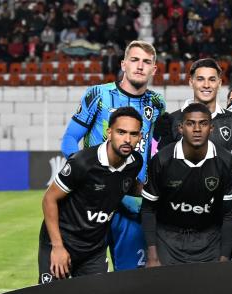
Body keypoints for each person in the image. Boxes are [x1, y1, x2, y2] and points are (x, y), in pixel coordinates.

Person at [60, 40, 166, 271]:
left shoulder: (157, 103)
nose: (140, 66)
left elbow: (155, 149)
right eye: (134, 60)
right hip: (92, 203)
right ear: (124, 64)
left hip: (132, 203)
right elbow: (69, 139)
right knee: (86, 280)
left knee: (131, 279)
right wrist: (86, 175)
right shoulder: (98, 94)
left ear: (154, 69)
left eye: (147, 62)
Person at [39, 107, 144, 284]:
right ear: (109, 133)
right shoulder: (82, 162)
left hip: (94, 249)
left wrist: (156, 191)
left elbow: (127, 185)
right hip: (62, 242)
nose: (127, 139)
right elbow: (49, 199)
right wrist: (57, 247)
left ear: (140, 137)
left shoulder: (135, 162)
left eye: (133, 134)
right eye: (121, 132)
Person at [141, 103, 232, 266]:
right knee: (167, 291)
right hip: (168, 239)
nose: (197, 129)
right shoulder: (162, 159)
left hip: (209, 240)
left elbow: (230, 215)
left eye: (203, 123)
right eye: (190, 123)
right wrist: (152, 256)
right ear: (180, 128)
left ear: (211, 128)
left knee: (208, 291)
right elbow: (148, 209)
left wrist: (224, 258)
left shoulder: (226, 161)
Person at [153, 58, 232, 156]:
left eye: (212, 79)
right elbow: (159, 163)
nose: (206, 85)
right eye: (200, 79)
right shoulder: (172, 120)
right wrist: (155, 136)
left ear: (219, 84)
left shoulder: (231, 120)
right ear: (191, 82)